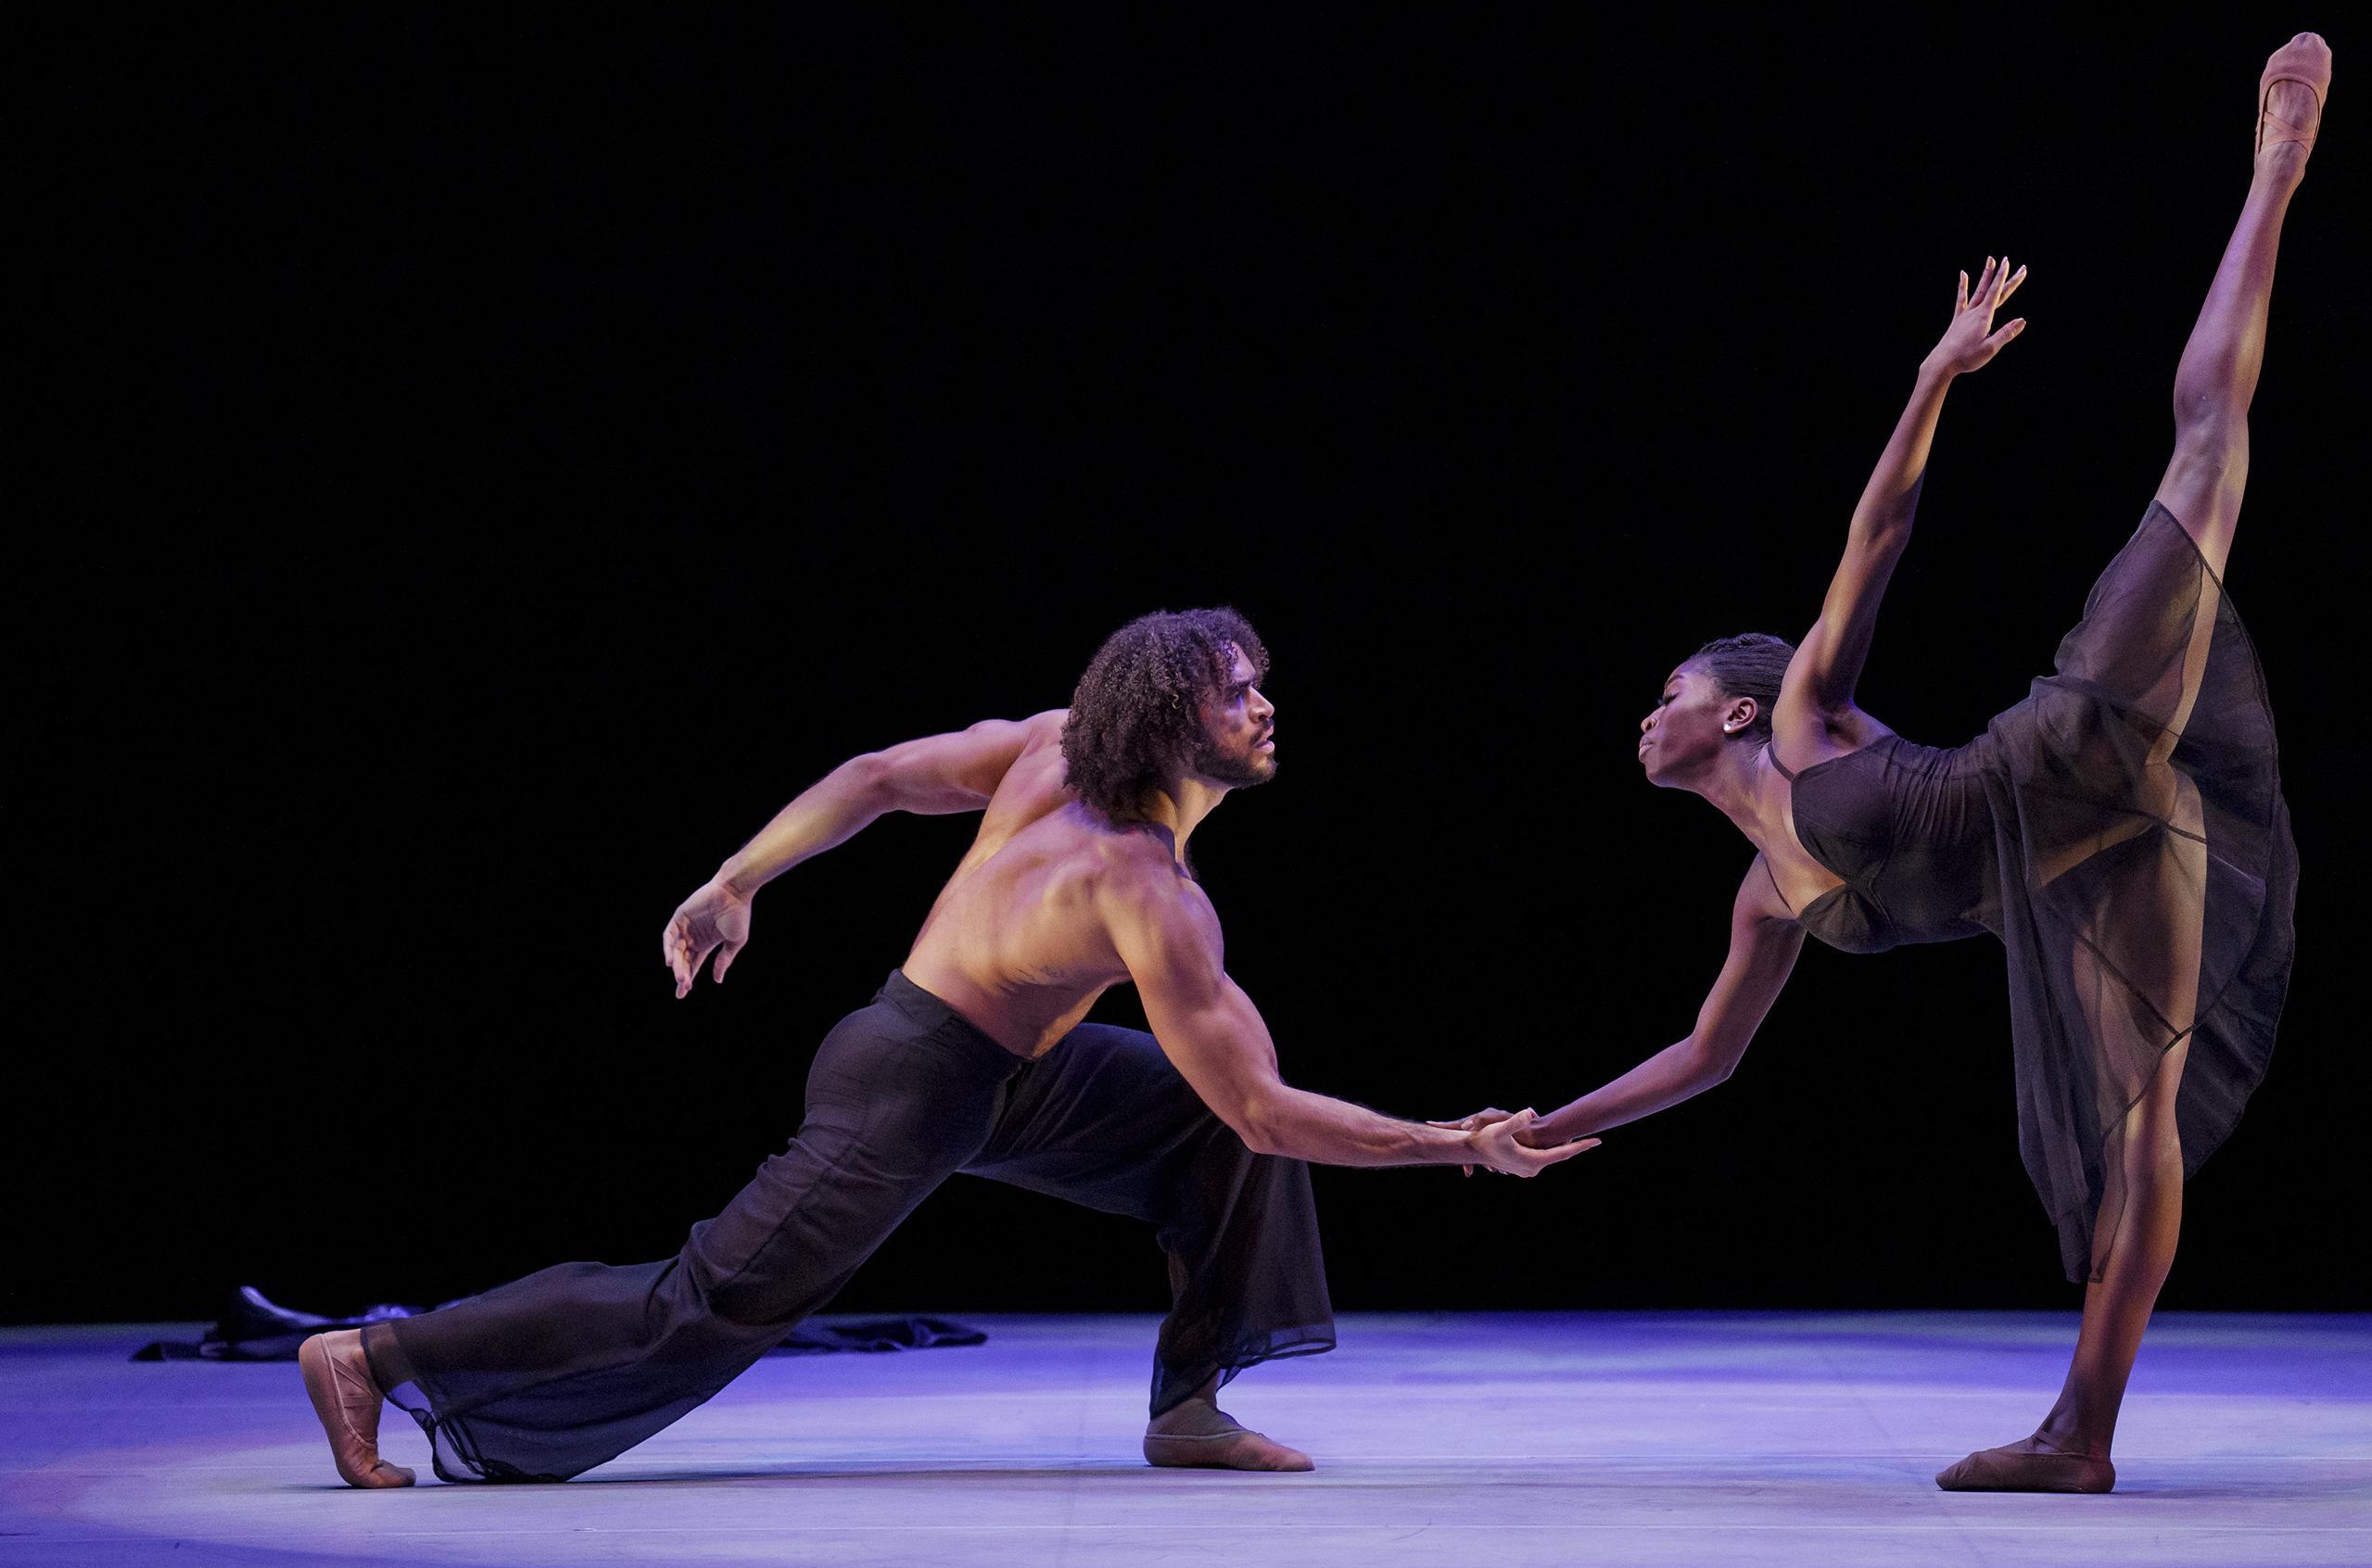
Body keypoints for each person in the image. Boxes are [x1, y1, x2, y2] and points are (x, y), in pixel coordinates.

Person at [1466, 35, 2326, 1493]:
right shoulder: (1762, 905)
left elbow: (1878, 539)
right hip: (2105, 870)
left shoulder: (1804, 711)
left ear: (1730, 713)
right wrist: (1549, 1124)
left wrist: (1933, 376)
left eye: (1663, 695)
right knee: (2136, 1129)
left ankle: (2278, 170)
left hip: (2056, 754)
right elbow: (1702, 1058)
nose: (1646, 715)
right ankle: (2083, 1436)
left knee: (2201, 453)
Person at [298, 607, 1592, 1488]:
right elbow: (1265, 1106)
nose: (1265, 706)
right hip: (912, 1083)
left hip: (999, 1068)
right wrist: (1452, 1143)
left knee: (1192, 1118)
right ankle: (374, 1353)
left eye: (1260, 681)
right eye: (1236, 691)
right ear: (1168, 718)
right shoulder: (1147, 891)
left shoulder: (1048, 749)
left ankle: (1189, 1404)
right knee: (698, 1302)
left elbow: (874, 775)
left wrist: (737, 879)